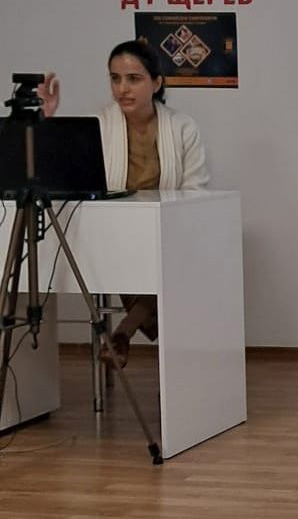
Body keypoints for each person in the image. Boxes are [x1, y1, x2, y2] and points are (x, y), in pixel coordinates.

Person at [37, 40, 208, 366]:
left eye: (133, 79)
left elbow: (194, 194)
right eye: (115, 79)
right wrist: (47, 119)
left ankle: (123, 334)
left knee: (172, 263)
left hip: (168, 233)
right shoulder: (98, 125)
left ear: (156, 83)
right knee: (151, 266)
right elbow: (65, 178)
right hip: (113, 236)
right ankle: (130, 337)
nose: (122, 89)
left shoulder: (182, 127)